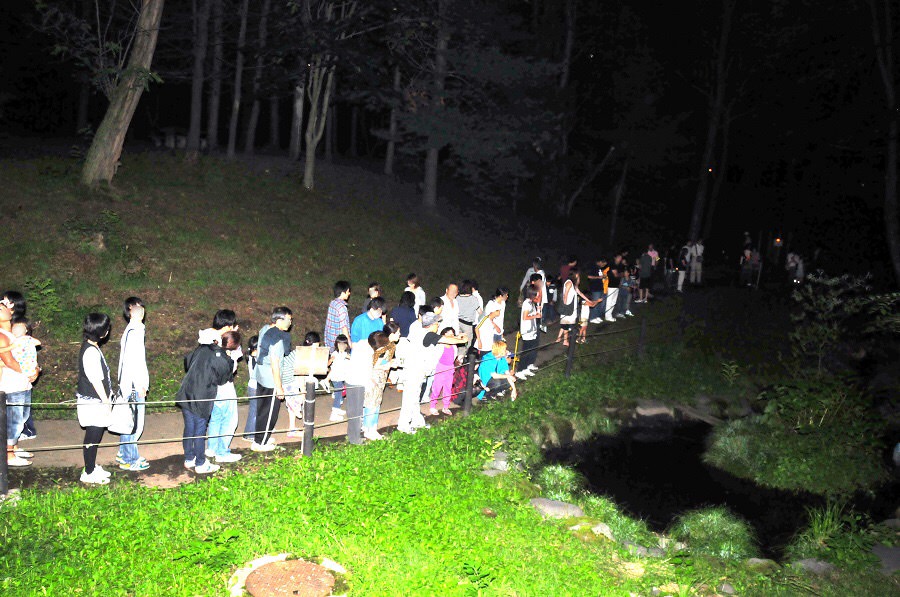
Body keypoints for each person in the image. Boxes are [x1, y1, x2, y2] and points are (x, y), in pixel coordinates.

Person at [176, 324, 234, 475]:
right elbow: (224, 378)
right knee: (200, 429)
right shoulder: (219, 355)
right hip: (201, 396)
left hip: (186, 392)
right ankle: (201, 463)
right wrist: (229, 358)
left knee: (190, 427)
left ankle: (189, 458)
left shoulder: (199, 350)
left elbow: (187, 363)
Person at [76, 313, 114, 484]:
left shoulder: (90, 346)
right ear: (103, 333)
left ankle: (91, 466)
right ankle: (89, 472)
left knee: (94, 436)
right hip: (93, 402)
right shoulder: (91, 352)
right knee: (92, 437)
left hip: (92, 400)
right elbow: (96, 380)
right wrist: (106, 401)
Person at [1, 295, 36, 468]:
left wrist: (36, 370)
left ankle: (13, 448)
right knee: (14, 420)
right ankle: (8, 454)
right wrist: (29, 371)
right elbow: (9, 362)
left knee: (22, 417)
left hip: (22, 382)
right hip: (11, 384)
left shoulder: (16, 331)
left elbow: (29, 354)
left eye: (7, 303)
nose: (4, 305)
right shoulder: (2, 335)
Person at [116, 297, 150, 472]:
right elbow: (132, 361)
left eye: (142, 307)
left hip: (129, 384)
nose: (141, 310)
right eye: (136, 307)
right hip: (133, 386)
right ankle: (129, 459)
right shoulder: (135, 330)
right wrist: (140, 385)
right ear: (129, 310)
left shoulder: (135, 329)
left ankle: (124, 452)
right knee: (134, 424)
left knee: (129, 421)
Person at [253, 307, 293, 451]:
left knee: (262, 409)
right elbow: (275, 363)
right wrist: (279, 387)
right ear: (279, 320)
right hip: (271, 380)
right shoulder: (277, 339)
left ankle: (261, 437)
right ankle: (260, 443)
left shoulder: (265, 329)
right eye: (289, 319)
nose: (290, 322)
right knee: (270, 412)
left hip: (261, 376)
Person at [205, 330, 243, 464]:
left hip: (213, 390)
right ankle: (222, 452)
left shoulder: (214, 353)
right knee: (230, 420)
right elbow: (231, 372)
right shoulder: (228, 358)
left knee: (216, 419)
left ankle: (212, 448)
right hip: (225, 389)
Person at [516, 285, 541, 380]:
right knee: (526, 351)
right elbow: (525, 317)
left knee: (531, 350)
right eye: (537, 293)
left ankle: (526, 368)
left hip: (532, 330)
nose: (538, 295)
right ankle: (519, 371)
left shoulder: (531, 303)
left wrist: (537, 311)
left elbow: (532, 314)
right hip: (527, 331)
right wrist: (536, 316)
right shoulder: (526, 303)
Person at [326, 334, 350, 422]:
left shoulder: (344, 353)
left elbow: (349, 359)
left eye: (344, 344)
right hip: (336, 378)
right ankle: (334, 413)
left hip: (341, 377)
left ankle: (337, 409)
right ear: (336, 344)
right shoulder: (335, 353)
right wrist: (328, 363)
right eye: (340, 344)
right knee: (338, 395)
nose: (342, 346)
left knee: (339, 395)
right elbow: (330, 361)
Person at [241, 334, 260, 440]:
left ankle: (253, 432)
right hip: (255, 387)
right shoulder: (255, 359)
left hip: (253, 387)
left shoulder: (251, 357)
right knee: (254, 412)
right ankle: (249, 434)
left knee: (255, 411)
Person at [324, 281, 351, 351]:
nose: (349, 293)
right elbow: (344, 327)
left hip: (330, 340)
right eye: (348, 291)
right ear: (342, 293)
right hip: (339, 343)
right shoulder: (342, 307)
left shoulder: (332, 303)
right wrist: (349, 342)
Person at [587, 257, 609, 323]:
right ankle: (592, 318)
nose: (604, 266)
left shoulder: (599, 268)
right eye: (603, 264)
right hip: (595, 288)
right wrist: (598, 277)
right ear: (600, 262)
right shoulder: (593, 267)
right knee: (595, 302)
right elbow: (588, 276)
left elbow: (600, 276)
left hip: (600, 287)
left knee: (599, 303)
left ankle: (597, 316)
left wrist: (603, 276)